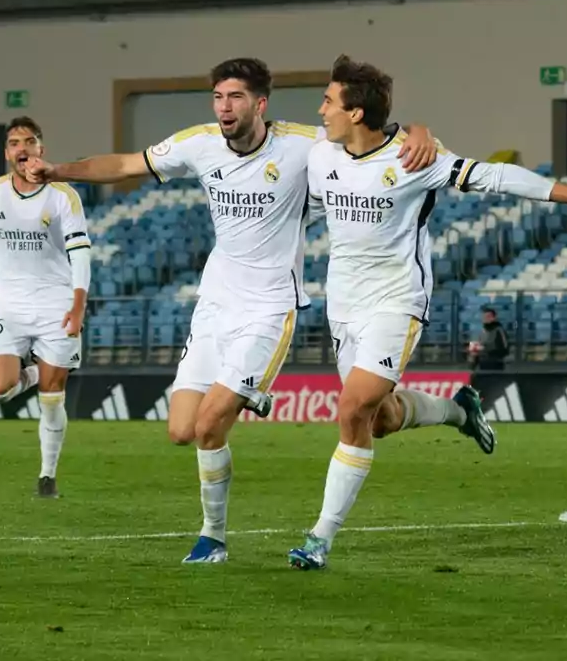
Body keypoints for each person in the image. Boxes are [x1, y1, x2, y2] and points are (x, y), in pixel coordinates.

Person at [24, 57, 441, 564]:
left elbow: (371, 131)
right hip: (215, 305)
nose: (225, 106)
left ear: (259, 104)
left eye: (236, 97)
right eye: (219, 97)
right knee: (182, 429)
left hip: (269, 309)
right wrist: (59, 170)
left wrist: (420, 131)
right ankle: (256, 397)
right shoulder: (198, 143)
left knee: (210, 424)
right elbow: (126, 165)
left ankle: (212, 538)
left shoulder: (305, 143)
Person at [288, 55, 567, 571]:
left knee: (352, 410)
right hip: (343, 304)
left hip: (395, 301)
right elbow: (270, 136)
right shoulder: (321, 154)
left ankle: (320, 537)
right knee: (377, 420)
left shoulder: (413, 159)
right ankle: (459, 410)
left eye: (328, 102)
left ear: (357, 113)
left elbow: (493, 176)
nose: (321, 111)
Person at [0, 117, 92, 499]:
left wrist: (78, 306)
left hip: (56, 306)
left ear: (41, 149)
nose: (22, 148)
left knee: (52, 400)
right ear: (7, 153)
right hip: (11, 308)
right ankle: (35, 372)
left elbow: (81, 252)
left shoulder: (62, 196)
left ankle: (47, 475)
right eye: (14, 143)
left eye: (29, 141)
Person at [468, 306, 510, 370]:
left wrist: (486, 349)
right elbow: (477, 349)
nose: (485, 319)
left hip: (496, 365)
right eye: (484, 317)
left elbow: (505, 348)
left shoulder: (499, 330)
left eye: (488, 317)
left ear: (494, 318)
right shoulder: (482, 332)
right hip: (482, 365)